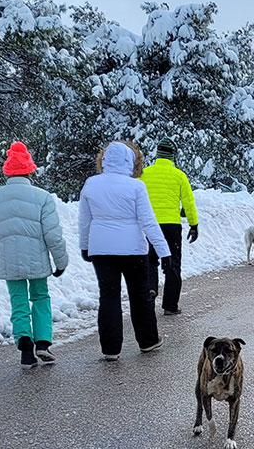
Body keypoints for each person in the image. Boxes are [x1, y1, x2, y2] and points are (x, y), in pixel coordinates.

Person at [79, 141, 171, 361]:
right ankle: (148, 341)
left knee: (108, 297)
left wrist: (85, 246)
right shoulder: (136, 186)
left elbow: (84, 221)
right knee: (139, 296)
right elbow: (148, 222)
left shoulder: (91, 184)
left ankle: (110, 349)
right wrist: (164, 252)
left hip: (101, 250)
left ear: (104, 160)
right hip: (133, 250)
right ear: (130, 161)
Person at [0, 141, 68, 369]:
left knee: (18, 301)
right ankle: (42, 343)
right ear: (30, 169)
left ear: (7, 172)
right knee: (40, 297)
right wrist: (61, 262)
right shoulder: (43, 198)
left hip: (8, 261)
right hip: (37, 260)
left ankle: (24, 348)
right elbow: (53, 235)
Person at [139, 137, 199, 316]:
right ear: (172, 156)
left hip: (149, 225)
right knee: (172, 264)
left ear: (157, 155)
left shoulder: (144, 173)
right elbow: (188, 202)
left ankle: (150, 290)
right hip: (171, 226)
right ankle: (170, 306)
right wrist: (194, 224)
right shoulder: (179, 175)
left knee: (150, 260)